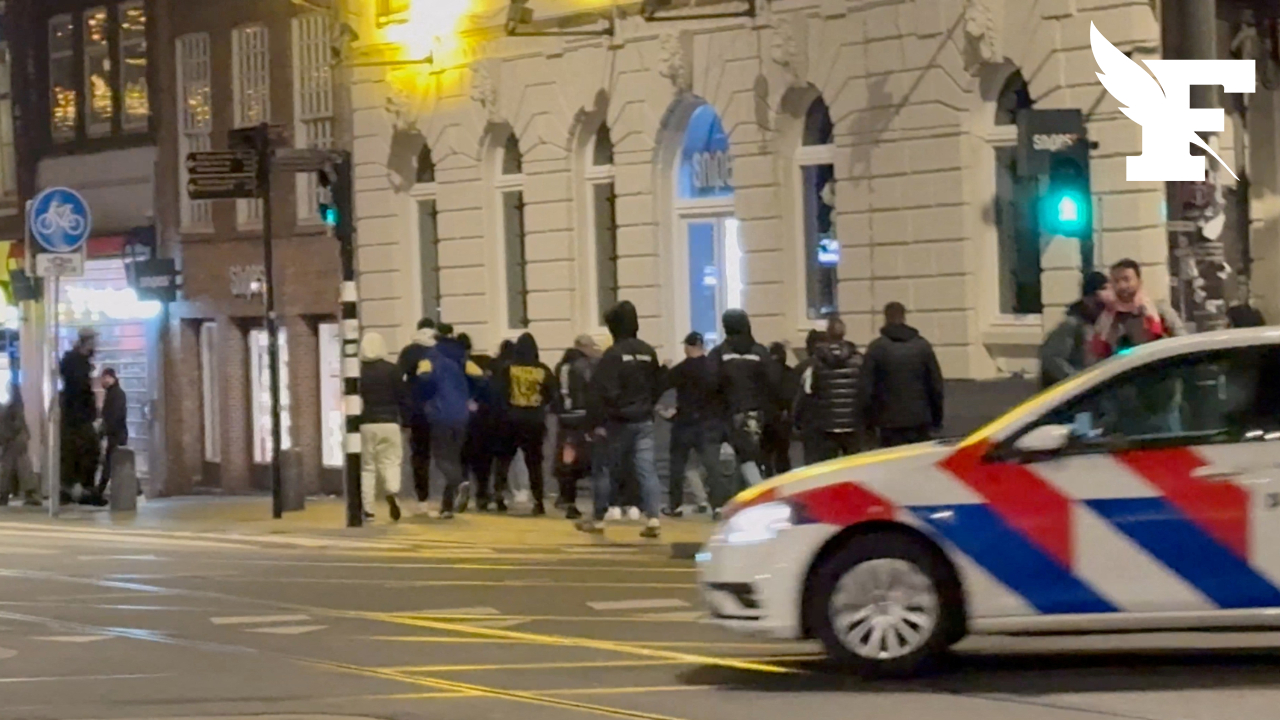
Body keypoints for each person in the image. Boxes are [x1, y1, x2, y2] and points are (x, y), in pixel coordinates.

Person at [578, 300, 664, 537]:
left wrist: (595, 423)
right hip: (644, 419)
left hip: (617, 421)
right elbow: (658, 384)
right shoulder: (648, 352)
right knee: (646, 469)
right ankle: (654, 518)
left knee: (604, 469)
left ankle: (598, 519)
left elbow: (600, 391)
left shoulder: (613, 355)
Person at [415, 324, 484, 518]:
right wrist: (472, 396)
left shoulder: (430, 357)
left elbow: (423, 378)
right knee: (453, 457)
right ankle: (447, 507)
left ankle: (460, 482)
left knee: (442, 459)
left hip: (440, 414)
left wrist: (427, 399)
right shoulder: (463, 358)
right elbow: (480, 376)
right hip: (462, 414)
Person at [709, 309, 778, 488]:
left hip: (730, 414)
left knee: (742, 460)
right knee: (754, 458)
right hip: (758, 413)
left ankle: (757, 495)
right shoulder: (759, 351)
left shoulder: (719, 353)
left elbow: (710, 384)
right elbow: (773, 381)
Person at [493, 332, 558, 515]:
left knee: (504, 461)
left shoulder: (508, 368)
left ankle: (499, 496)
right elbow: (552, 394)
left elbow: (499, 393)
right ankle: (538, 501)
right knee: (534, 463)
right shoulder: (543, 370)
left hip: (511, 420)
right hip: (534, 421)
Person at [862, 302, 945, 448]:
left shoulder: (877, 348)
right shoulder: (922, 346)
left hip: (888, 422)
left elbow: (866, 389)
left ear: (885, 318)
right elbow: (936, 386)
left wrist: (868, 423)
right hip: (919, 420)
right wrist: (937, 418)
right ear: (904, 317)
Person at [660, 332, 723, 517]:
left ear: (688, 346)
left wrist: (664, 368)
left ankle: (675, 505)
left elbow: (662, 384)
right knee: (712, 466)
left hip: (684, 422)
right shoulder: (713, 368)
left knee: (678, 465)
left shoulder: (681, 369)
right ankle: (718, 506)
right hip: (708, 422)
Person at [1090, 259, 1185, 360]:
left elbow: (1183, 342)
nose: (1122, 286)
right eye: (1116, 281)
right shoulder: (1107, 317)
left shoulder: (1159, 310)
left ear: (1139, 281)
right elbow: (1097, 354)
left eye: (1126, 279)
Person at [800, 316, 864, 462]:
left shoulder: (817, 361)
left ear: (828, 334)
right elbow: (864, 389)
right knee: (854, 467)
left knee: (830, 468)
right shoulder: (859, 360)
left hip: (826, 424)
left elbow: (809, 391)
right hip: (852, 423)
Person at [358, 332, 405, 522]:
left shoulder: (358, 372)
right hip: (390, 422)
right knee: (391, 461)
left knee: (368, 467)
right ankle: (392, 491)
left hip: (367, 423)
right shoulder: (392, 370)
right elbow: (402, 396)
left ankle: (368, 510)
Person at [553, 335, 599, 520]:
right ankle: (598, 503)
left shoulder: (562, 366)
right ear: (583, 347)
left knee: (567, 459)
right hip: (583, 417)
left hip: (565, 418)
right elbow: (592, 390)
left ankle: (567, 499)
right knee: (591, 459)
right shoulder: (585, 365)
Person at [1040, 271, 1111, 389]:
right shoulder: (1072, 325)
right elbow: (1052, 359)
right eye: (1098, 303)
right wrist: (1079, 381)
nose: (1102, 309)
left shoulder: (1104, 324)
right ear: (1086, 299)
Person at [397, 318, 437, 514]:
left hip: (417, 412)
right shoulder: (440, 351)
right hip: (441, 410)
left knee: (419, 455)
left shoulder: (409, 351)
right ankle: (450, 497)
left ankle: (423, 498)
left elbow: (399, 381)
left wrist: (404, 415)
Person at [60, 327, 102, 504]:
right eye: (94, 340)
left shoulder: (80, 360)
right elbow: (79, 389)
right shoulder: (75, 361)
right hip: (76, 415)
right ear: (88, 341)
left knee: (83, 452)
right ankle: (81, 490)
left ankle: (78, 489)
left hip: (79, 415)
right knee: (86, 451)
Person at [0, 384, 37, 506]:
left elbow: (14, 427)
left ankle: (3, 494)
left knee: (8, 466)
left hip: (12, 441)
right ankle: (29, 493)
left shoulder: (9, 409)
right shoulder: (15, 408)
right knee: (21, 465)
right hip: (16, 441)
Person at [762, 342, 796, 477]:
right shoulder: (789, 372)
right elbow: (791, 395)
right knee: (783, 454)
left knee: (766, 453)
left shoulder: (763, 370)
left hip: (767, 417)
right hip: (783, 417)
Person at [792, 329, 826, 465]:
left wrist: (795, 421)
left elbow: (797, 397)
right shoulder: (831, 365)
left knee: (812, 463)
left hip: (810, 423)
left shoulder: (801, 368)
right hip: (831, 422)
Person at [97, 368, 129, 499]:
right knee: (115, 462)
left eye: (104, 378)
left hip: (116, 434)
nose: (102, 381)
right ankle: (136, 489)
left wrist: (105, 430)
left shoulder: (115, 394)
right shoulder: (113, 393)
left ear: (111, 378)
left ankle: (100, 489)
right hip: (116, 433)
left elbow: (114, 415)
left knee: (110, 462)